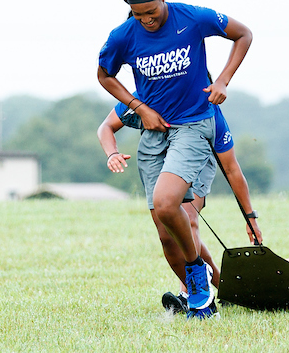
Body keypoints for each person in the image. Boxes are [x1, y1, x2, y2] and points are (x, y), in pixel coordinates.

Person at [97, 0, 253, 319]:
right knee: (166, 234)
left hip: (193, 125)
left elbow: (243, 34)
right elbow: (104, 74)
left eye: (151, 12)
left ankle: (197, 275)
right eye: (138, 15)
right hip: (155, 137)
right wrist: (139, 108)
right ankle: (201, 300)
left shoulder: (192, 18)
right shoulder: (123, 36)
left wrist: (224, 80)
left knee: (170, 205)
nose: (146, 21)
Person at [97, 101, 262, 313]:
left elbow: (231, 168)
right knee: (169, 233)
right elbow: (106, 126)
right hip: (160, 159)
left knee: (189, 218)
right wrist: (112, 153)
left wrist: (250, 217)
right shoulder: (147, 95)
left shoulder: (208, 110)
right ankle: (224, 289)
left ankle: (189, 294)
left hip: (198, 159)